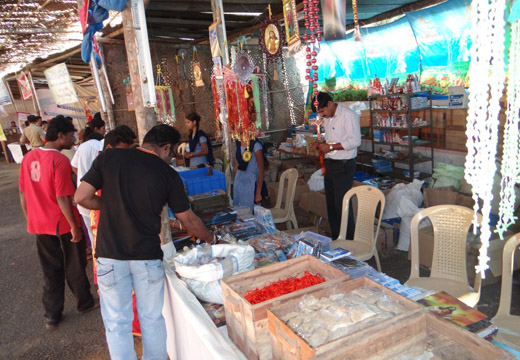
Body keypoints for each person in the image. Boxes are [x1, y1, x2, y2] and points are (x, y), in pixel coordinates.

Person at [74, 124, 216, 360]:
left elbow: (81, 197)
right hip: (146, 258)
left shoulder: (109, 157)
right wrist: (211, 238)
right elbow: (188, 219)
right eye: (172, 154)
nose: (171, 159)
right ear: (166, 148)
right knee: (152, 320)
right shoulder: (167, 173)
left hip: (110, 255)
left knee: (117, 323)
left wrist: (111, 206)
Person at [18, 116, 96, 330]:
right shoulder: (59, 161)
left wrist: (30, 219)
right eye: (71, 136)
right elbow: (63, 198)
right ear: (61, 136)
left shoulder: (28, 158)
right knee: (75, 264)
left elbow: (23, 193)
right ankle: (84, 303)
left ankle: (52, 314)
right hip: (62, 224)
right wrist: (73, 225)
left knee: (50, 269)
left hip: (40, 224)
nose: (74, 140)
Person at [313, 92, 361, 241]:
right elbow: (331, 140)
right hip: (331, 164)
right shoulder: (327, 119)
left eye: (322, 111)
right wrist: (322, 145)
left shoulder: (348, 115)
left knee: (342, 205)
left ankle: (348, 241)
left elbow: (355, 141)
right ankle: (336, 238)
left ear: (329, 104)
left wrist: (331, 148)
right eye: (319, 113)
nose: (322, 115)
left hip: (344, 165)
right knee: (332, 204)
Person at [71, 115, 106, 249]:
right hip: (98, 197)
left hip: (84, 195)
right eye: (103, 128)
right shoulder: (102, 145)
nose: (104, 131)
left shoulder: (83, 146)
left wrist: (84, 179)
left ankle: (98, 262)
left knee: (93, 236)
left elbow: (74, 166)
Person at [233, 138, 265, 211]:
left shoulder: (255, 145)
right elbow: (237, 164)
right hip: (239, 184)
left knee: (251, 213)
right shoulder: (238, 142)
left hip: (251, 185)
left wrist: (258, 192)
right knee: (239, 212)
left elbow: (261, 170)